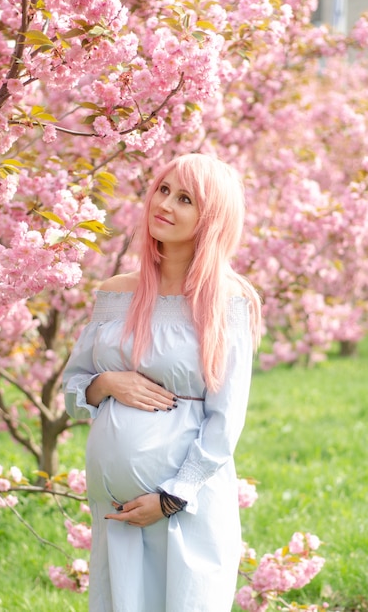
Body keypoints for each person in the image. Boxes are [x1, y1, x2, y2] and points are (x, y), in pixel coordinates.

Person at [63, 153, 261, 612]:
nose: (165, 204)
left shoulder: (227, 302)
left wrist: (172, 497)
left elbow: (225, 420)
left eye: (185, 198)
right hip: (116, 511)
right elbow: (73, 390)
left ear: (211, 218)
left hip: (185, 506)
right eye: (164, 190)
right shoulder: (115, 292)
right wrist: (107, 383)